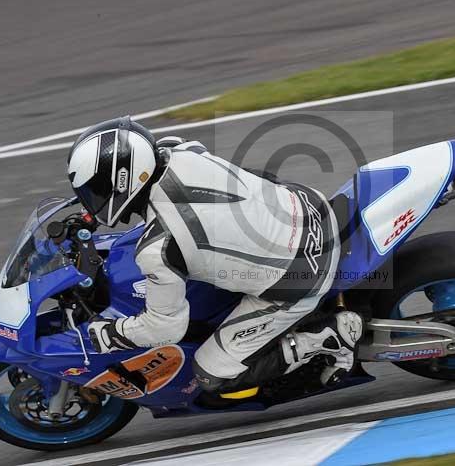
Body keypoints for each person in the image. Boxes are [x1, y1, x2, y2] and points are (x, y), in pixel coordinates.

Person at [66, 117, 363, 395]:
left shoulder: (159, 248)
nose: (93, 200)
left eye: (96, 191)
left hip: (301, 275)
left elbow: (165, 328)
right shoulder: (176, 149)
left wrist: (108, 334)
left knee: (212, 373)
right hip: (306, 206)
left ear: (121, 181)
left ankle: (326, 336)